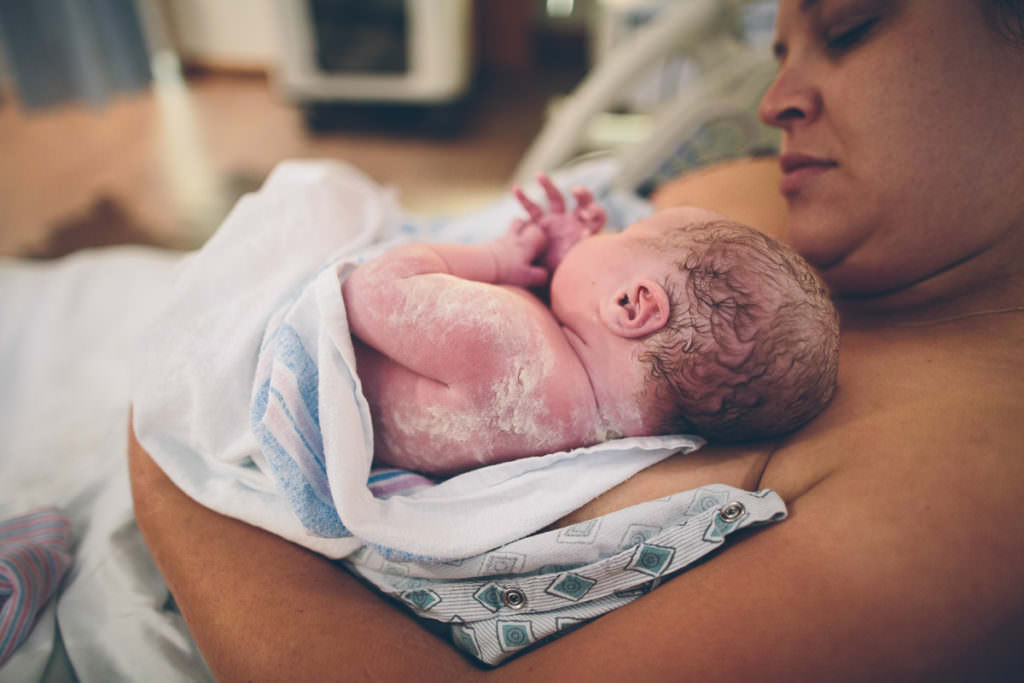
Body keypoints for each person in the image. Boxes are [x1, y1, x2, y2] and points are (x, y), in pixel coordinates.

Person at [128, 0, 1024, 679]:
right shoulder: (764, 211)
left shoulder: (969, 495)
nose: (773, 99)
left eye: (852, 26)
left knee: (312, 190)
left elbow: (377, 292)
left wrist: (160, 452)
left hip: (228, 476)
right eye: (780, 49)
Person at [354, 174, 837, 475]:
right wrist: (569, 266)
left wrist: (498, 258)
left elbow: (370, 288)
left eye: (621, 233)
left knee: (319, 190)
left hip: (310, 353)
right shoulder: (592, 426)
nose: (599, 233)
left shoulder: (508, 343)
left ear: (631, 306)